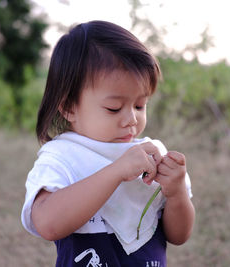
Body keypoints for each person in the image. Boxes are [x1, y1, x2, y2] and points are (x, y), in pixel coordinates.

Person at [21, 20, 195, 266]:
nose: (131, 119)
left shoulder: (152, 154)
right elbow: (47, 224)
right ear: (69, 106)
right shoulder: (62, 157)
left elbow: (179, 236)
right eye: (114, 108)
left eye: (139, 105)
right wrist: (116, 172)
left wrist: (176, 193)